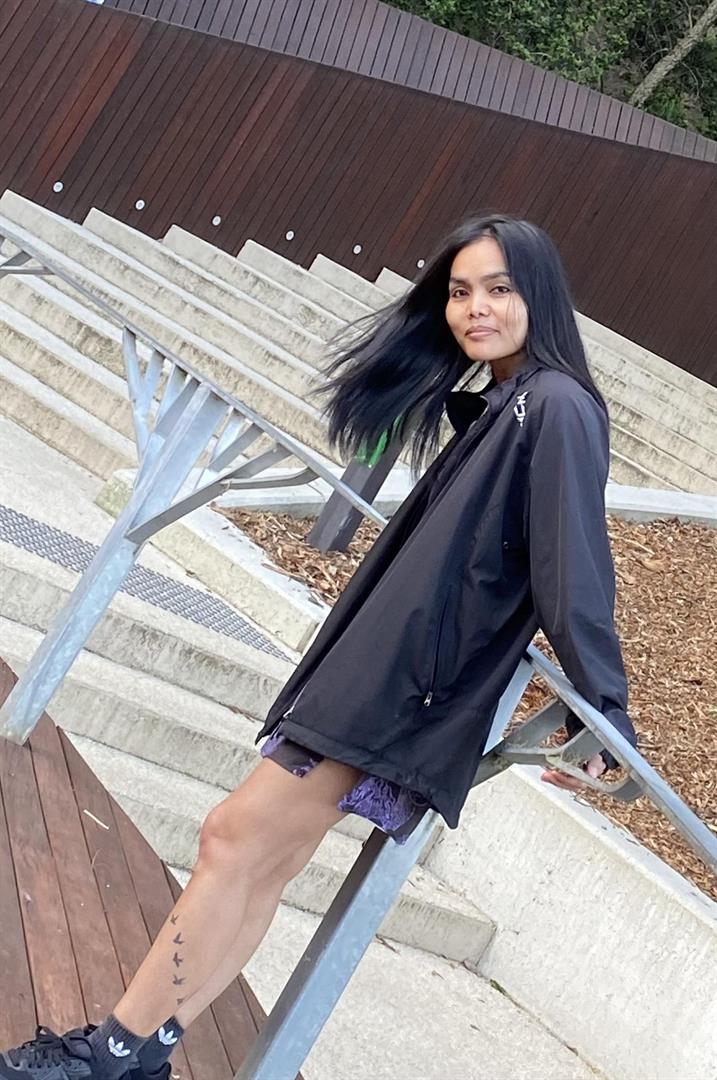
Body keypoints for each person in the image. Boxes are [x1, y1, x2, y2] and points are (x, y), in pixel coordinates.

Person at [0, 214, 637, 1078]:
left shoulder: (554, 406)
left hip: (399, 686)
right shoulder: (507, 404)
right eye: (459, 292)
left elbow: (573, 565)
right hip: (391, 674)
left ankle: (105, 1055)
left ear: (541, 297)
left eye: (498, 289)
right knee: (260, 860)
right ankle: (140, 1055)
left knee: (232, 839)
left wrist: (603, 709)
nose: (474, 309)